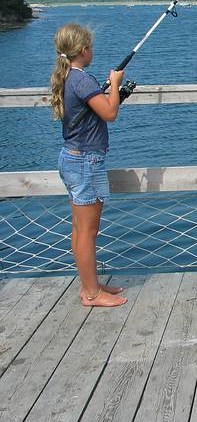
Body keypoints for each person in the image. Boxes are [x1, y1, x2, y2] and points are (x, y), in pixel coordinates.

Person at [50, 23, 128, 307]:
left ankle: (90, 285)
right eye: (91, 47)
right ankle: (92, 294)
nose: (92, 50)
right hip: (85, 161)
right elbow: (109, 113)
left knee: (79, 228)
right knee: (87, 231)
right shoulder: (83, 81)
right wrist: (115, 86)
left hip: (73, 158)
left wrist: (108, 90)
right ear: (83, 50)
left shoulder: (70, 77)